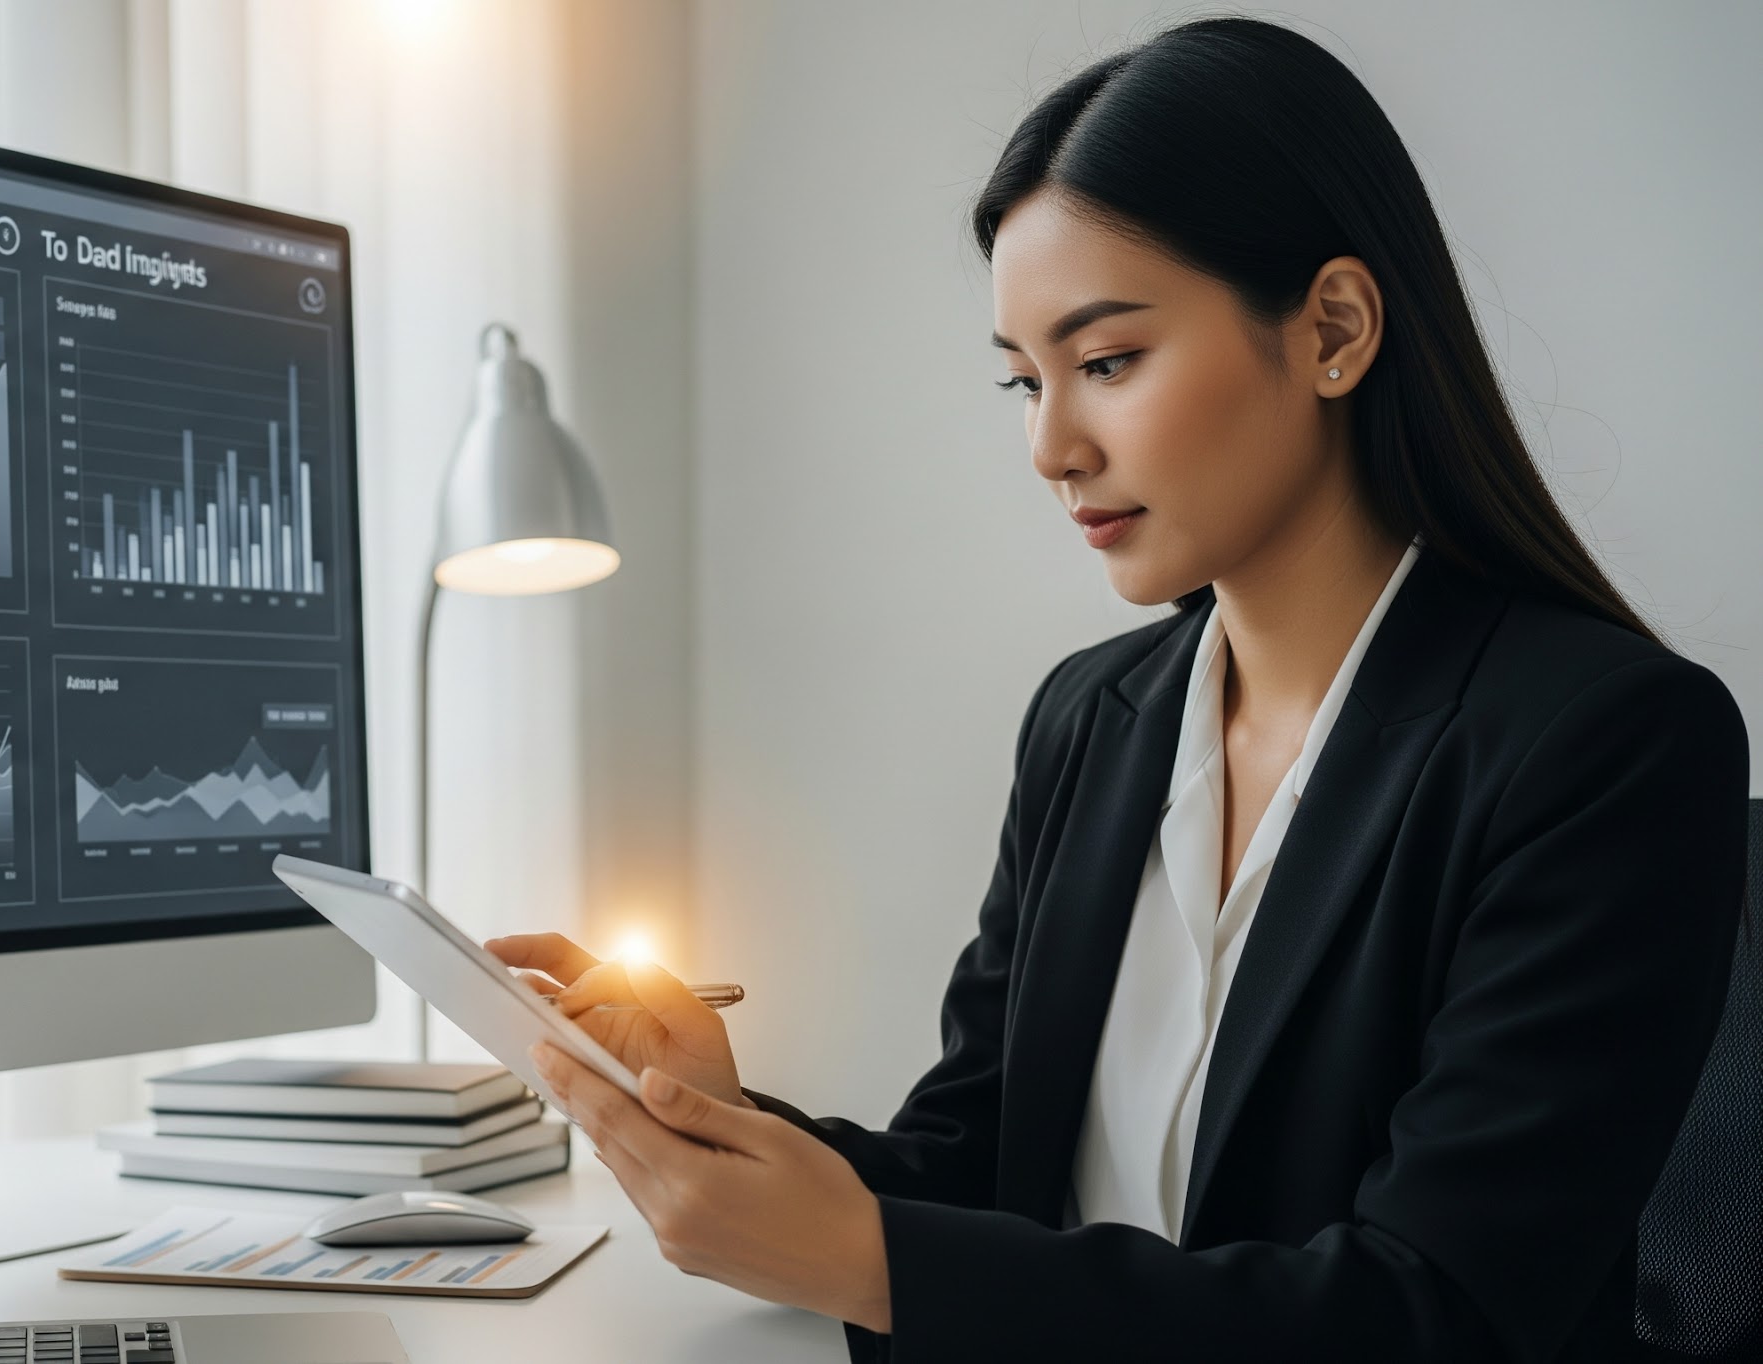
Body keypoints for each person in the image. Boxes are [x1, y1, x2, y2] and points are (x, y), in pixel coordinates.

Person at [490, 16, 1747, 1362]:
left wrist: (869, 1259)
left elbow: (1429, 1315)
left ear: (1332, 328)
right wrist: (726, 1121)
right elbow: (983, 1176)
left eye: (1105, 363)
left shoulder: (1605, 746)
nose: (1050, 446)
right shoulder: (1092, 723)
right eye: (1023, 381)